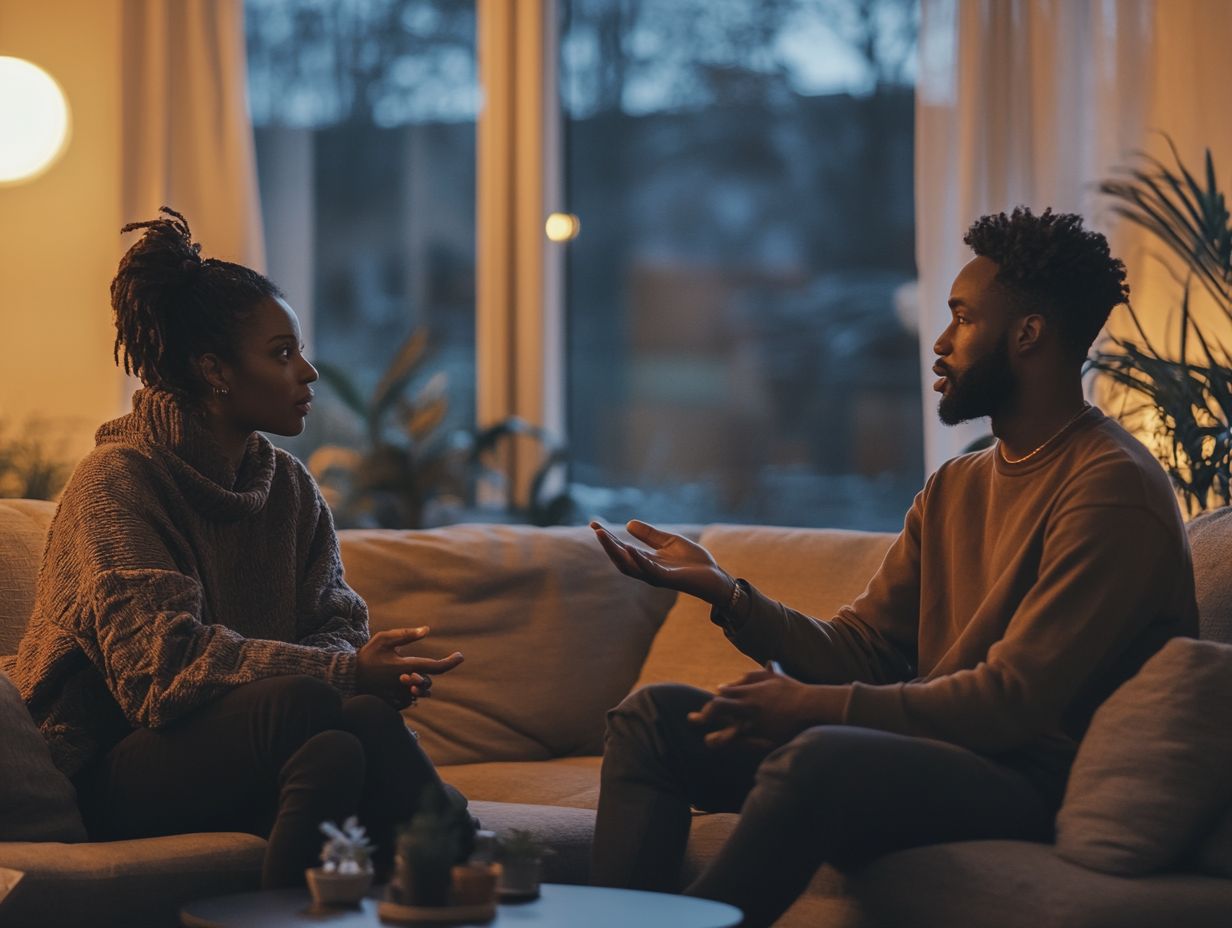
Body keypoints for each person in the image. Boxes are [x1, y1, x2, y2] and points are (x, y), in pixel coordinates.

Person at [587, 207, 1199, 927]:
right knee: (651, 719)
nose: (939, 344)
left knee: (818, 756)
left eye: (963, 319)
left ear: (1028, 334)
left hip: (1033, 779)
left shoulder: (1112, 486)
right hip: (932, 752)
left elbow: (1013, 702)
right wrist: (728, 593)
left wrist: (812, 708)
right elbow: (867, 650)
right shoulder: (957, 485)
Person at [12, 207, 465, 889]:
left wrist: (354, 671)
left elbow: (339, 623)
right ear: (213, 369)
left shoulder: (287, 485)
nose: (308, 372)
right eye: (282, 354)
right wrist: (341, 673)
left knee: (348, 736)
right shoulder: (116, 482)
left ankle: (463, 878)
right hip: (108, 768)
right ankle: (482, 865)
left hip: (264, 745)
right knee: (316, 705)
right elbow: (157, 675)